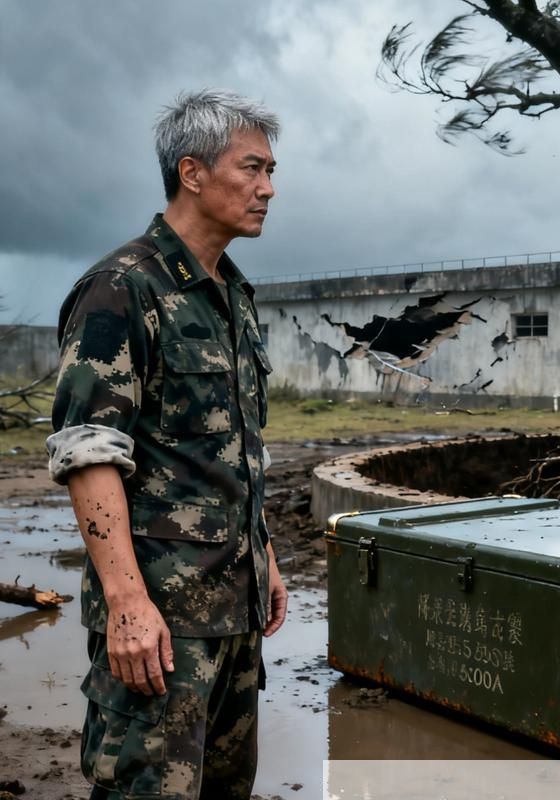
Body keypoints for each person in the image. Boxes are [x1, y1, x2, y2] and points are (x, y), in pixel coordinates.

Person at [46, 89, 287, 799]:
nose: (268, 189)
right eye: (253, 169)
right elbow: (87, 450)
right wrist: (125, 602)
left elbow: (235, 446)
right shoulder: (122, 289)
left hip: (232, 616)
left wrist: (265, 552)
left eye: (273, 172)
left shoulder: (231, 295)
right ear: (192, 172)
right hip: (159, 628)